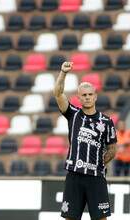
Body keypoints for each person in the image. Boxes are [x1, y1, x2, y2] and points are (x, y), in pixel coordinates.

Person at [54, 62, 117, 220]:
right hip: (74, 176)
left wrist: (98, 163)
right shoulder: (73, 115)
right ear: (79, 97)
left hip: (96, 178)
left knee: (101, 218)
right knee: (70, 218)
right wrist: (63, 73)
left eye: (90, 95)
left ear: (95, 96)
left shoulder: (106, 122)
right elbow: (58, 93)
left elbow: (112, 149)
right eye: (84, 95)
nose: (87, 97)